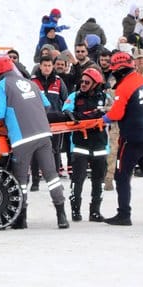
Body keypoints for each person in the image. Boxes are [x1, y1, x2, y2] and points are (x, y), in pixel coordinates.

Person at [0, 54, 69, 229]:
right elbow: (46, 104)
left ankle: (21, 219)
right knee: (52, 176)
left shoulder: (3, 85)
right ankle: (61, 216)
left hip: (21, 138)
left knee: (21, 180)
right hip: (43, 134)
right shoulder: (31, 83)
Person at [101, 51, 143, 226]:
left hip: (131, 139)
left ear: (120, 69)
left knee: (121, 176)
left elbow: (117, 113)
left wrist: (103, 118)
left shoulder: (124, 86)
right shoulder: (141, 80)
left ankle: (124, 214)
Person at [61, 66, 108, 222]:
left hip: (100, 144)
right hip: (80, 144)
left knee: (98, 180)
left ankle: (95, 211)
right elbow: (67, 112)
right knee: (77, 180)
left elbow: (110, 112)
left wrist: (85, 116)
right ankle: (75, 211)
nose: (83, 84)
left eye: (87, 82)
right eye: (82, 81)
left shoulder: (104, 97)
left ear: (95, 84)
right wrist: (85, 116)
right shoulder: (75, 96)